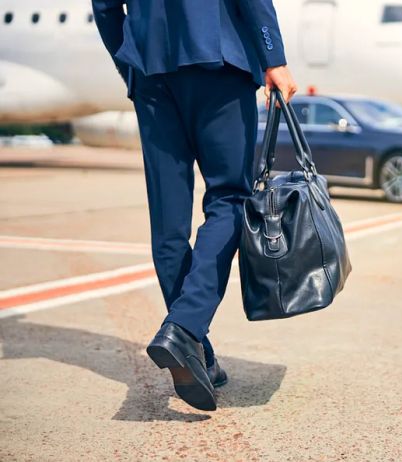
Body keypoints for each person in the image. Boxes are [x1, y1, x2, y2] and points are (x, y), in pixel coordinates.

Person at [92, 0, 297, 411]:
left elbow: (105, 6)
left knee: (168, 223)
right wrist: (273, 56)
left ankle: (196, 349)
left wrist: (130, 62)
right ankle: (184, 329)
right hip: (219, 63)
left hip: (151, 72)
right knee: (229, 198)